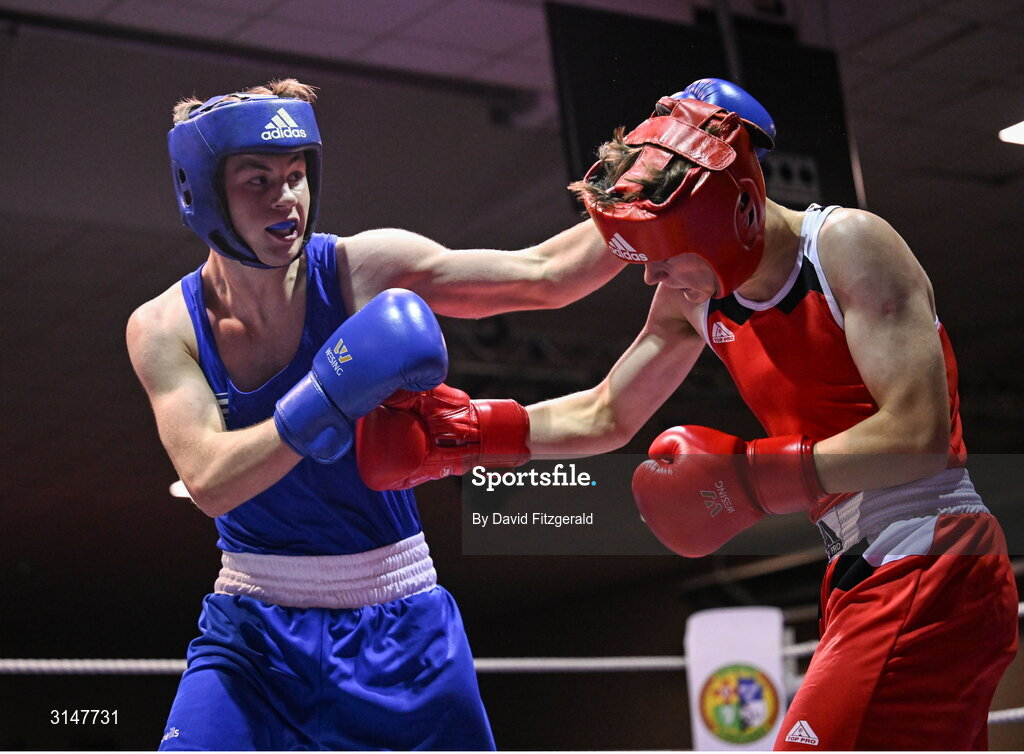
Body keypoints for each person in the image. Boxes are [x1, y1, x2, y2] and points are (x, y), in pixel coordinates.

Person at [356, 79, 1019, 750]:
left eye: (664, 255)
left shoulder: (848, 245)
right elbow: (608, 413)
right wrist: (471, 434)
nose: (651, 277)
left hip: (932, 552)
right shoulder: (694, 296)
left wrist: (753, 479)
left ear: (731, 219)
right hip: (862, 566)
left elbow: (919, 435)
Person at [126, 78, 622, 750]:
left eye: (296, 175)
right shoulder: (164, 327)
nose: (286, 200)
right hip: (253, 634)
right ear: (204, 192)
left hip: (400, 620)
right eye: (258, 181)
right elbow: (210, 480)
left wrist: (646, 206)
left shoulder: (362, 270)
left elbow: (543, 275)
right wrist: (328, 395)